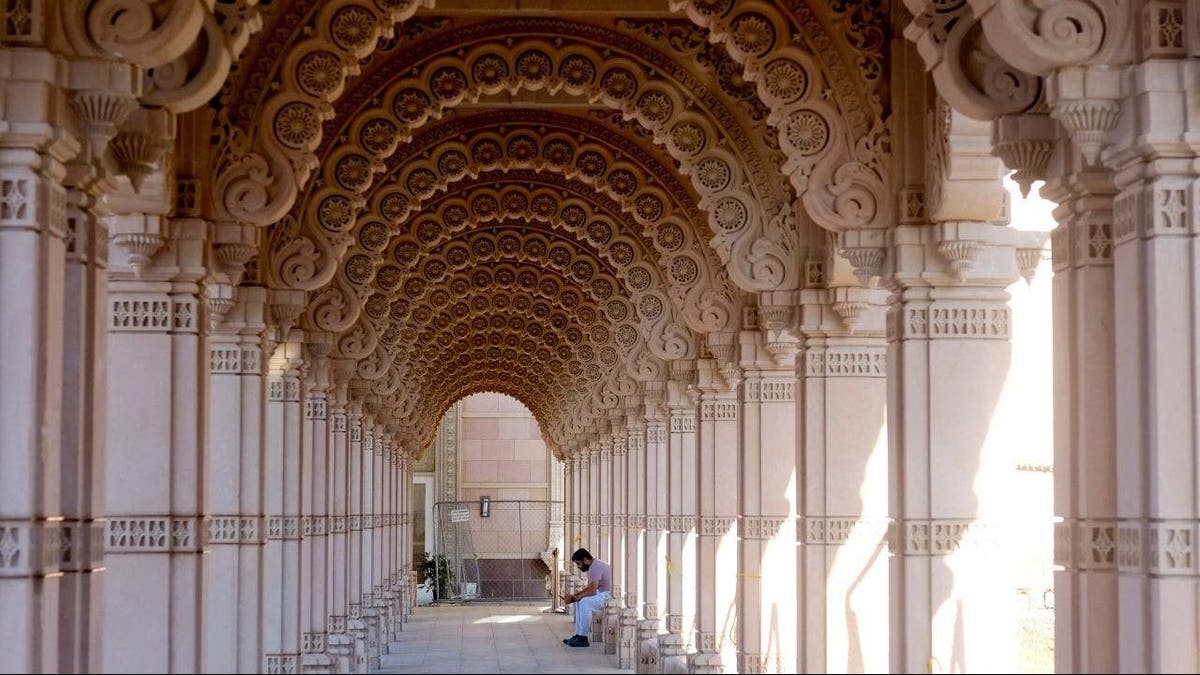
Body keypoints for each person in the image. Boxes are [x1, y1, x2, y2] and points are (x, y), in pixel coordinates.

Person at [559, 548, 611, 648]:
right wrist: (574, 597)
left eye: (579, 563)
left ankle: (583, 638)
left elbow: (592, 591)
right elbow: (589, 588)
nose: (578, 567)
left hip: (608, 596)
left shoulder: (595, 567)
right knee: (580, 601)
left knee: (584, 603)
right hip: (602, 594)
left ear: (586, 560)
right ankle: (578, 635)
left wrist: (574, 598)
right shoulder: (593, 566)